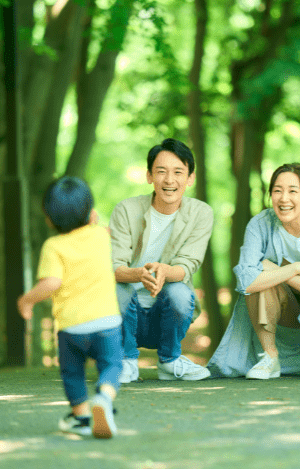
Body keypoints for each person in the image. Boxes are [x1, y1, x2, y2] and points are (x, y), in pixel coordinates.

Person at [207, 163, 300, 379]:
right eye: (277, 190)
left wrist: (280, 270)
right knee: (261, 286)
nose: (283, 198)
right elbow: (245, 282)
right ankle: (270, 357)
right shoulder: (259, 225)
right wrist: (296, 270)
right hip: (281, 310)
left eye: (292, 191)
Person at [17, 176, 122, 439]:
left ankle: (82, 417)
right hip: (107, 322)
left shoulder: (53, 246)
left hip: (72, 327)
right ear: (90, 211)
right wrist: (94, 222)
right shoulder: (101, 235)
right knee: (112, 365)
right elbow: (113, 234)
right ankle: (104, 399)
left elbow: (52, 283)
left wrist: (27, 300)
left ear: (50, 219)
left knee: (72, 373)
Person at [110, 138, 213, 382]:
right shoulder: (126, 210)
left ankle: (170, 361)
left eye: (178, 172)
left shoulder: (201, 213)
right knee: (115, 288)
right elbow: (114, 267)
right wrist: (138, 274)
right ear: (149, 176)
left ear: (190, 178)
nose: (169, 180)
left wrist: (164, 271)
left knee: (180, 292)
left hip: (166, 315)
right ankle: (126, 362)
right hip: (125, 314)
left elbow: (188, 265)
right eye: (161, 172)